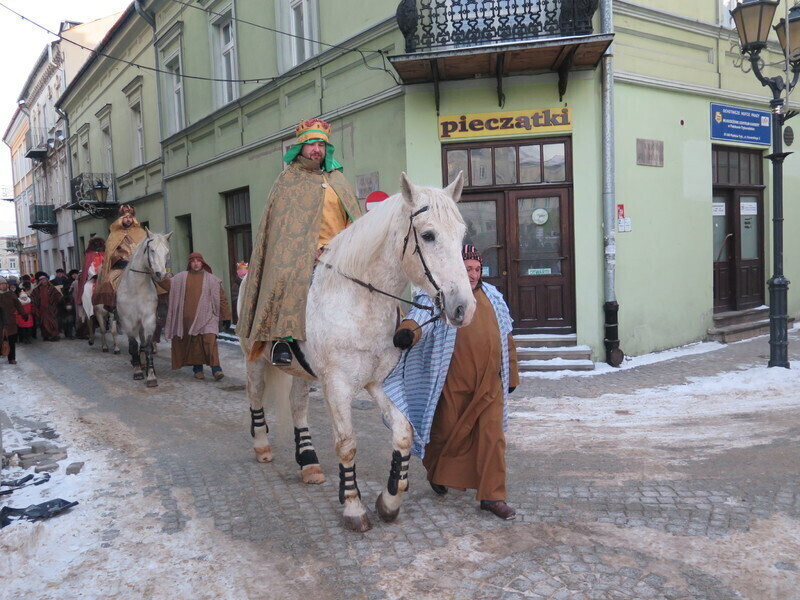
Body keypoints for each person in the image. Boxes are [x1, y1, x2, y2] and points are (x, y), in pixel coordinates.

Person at [384, 245, 520, 520]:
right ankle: (437, 471)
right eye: (467, 268)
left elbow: (506, 337)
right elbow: (420, 317)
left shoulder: (493, 297)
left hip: (489, 385)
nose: (472, 274)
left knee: (493, 439)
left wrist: (512, 375)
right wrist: (407, 333)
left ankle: (493, 496)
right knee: (445, 435)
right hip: (452, 384)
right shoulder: (441, 295)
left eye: (477, 269)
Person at [237, 117, 362, 365]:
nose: (317, 149)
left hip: (341, 253)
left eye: (321, 144)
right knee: (287, 278)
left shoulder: (337, 179)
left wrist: (348, 246)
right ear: (301, 148)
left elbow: (353, 218)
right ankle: (282, 340)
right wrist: (310, 251)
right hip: (304, 256)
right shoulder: (288, 180)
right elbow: (284, 230)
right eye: (311, 144)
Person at [162, 252, 231, 381]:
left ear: (202, 263)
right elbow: (167, 286)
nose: (196, 263)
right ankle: (197, 370)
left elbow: (222, 299)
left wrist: (226, 316)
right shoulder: (181, 278)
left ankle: (216, 369)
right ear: (189, 263)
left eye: (198, 261)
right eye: (193, 261)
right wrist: (158, 276)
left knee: (210, 341)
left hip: (208, 317)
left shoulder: (212, 280)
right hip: (188, 319)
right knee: (195, 345)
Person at [93, 204, 146, 310]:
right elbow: (110, 252)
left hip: (139, 265)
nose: (128, 219)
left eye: (130, 217)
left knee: (157, 279)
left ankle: (160, 304)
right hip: (122, 265)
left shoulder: (141, 233)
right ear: (121, 219)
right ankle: (111, 304)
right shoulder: (114, 234)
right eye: (126, 217)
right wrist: (120, 261)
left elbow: (145, 248)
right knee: (109, 281)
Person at [30, 272, 63, 341]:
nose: (44, 281)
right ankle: (46, 336)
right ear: (40, 281)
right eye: (42, 280)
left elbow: (58, 295)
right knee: (44, 323)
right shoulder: (36, 290)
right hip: (42, 310)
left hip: (51, 309)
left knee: (53, 322)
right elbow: (33, 299)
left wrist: (59, 299)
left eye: (45, 280)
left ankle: (54, 335)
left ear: (47, 280)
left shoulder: (52, 288)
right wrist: (35, 307)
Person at [0, 276, 25, 364]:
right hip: (1, 322)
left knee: (11, 341)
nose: (2, 286)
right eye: (0, 285)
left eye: (4, 284)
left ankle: (12, 358)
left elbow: (18, 305)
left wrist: (23, 314)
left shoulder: (11, 294)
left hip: (11, 321)